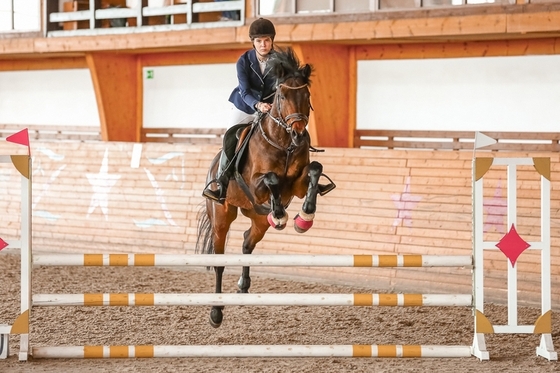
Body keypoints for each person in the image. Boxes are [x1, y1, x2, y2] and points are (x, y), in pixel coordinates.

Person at [202, 17, 277, 203]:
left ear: (272, 40)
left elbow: (284, 86)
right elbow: (244, 91)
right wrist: (257, 105)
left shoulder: (280, 60)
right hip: (246, 106)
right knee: (229, 136)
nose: (263, 44)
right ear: (253, 42)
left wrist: (275, 105)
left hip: (271, 108)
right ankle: (221, 182)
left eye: (266, 40)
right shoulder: (243, 61)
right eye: (259, 41)